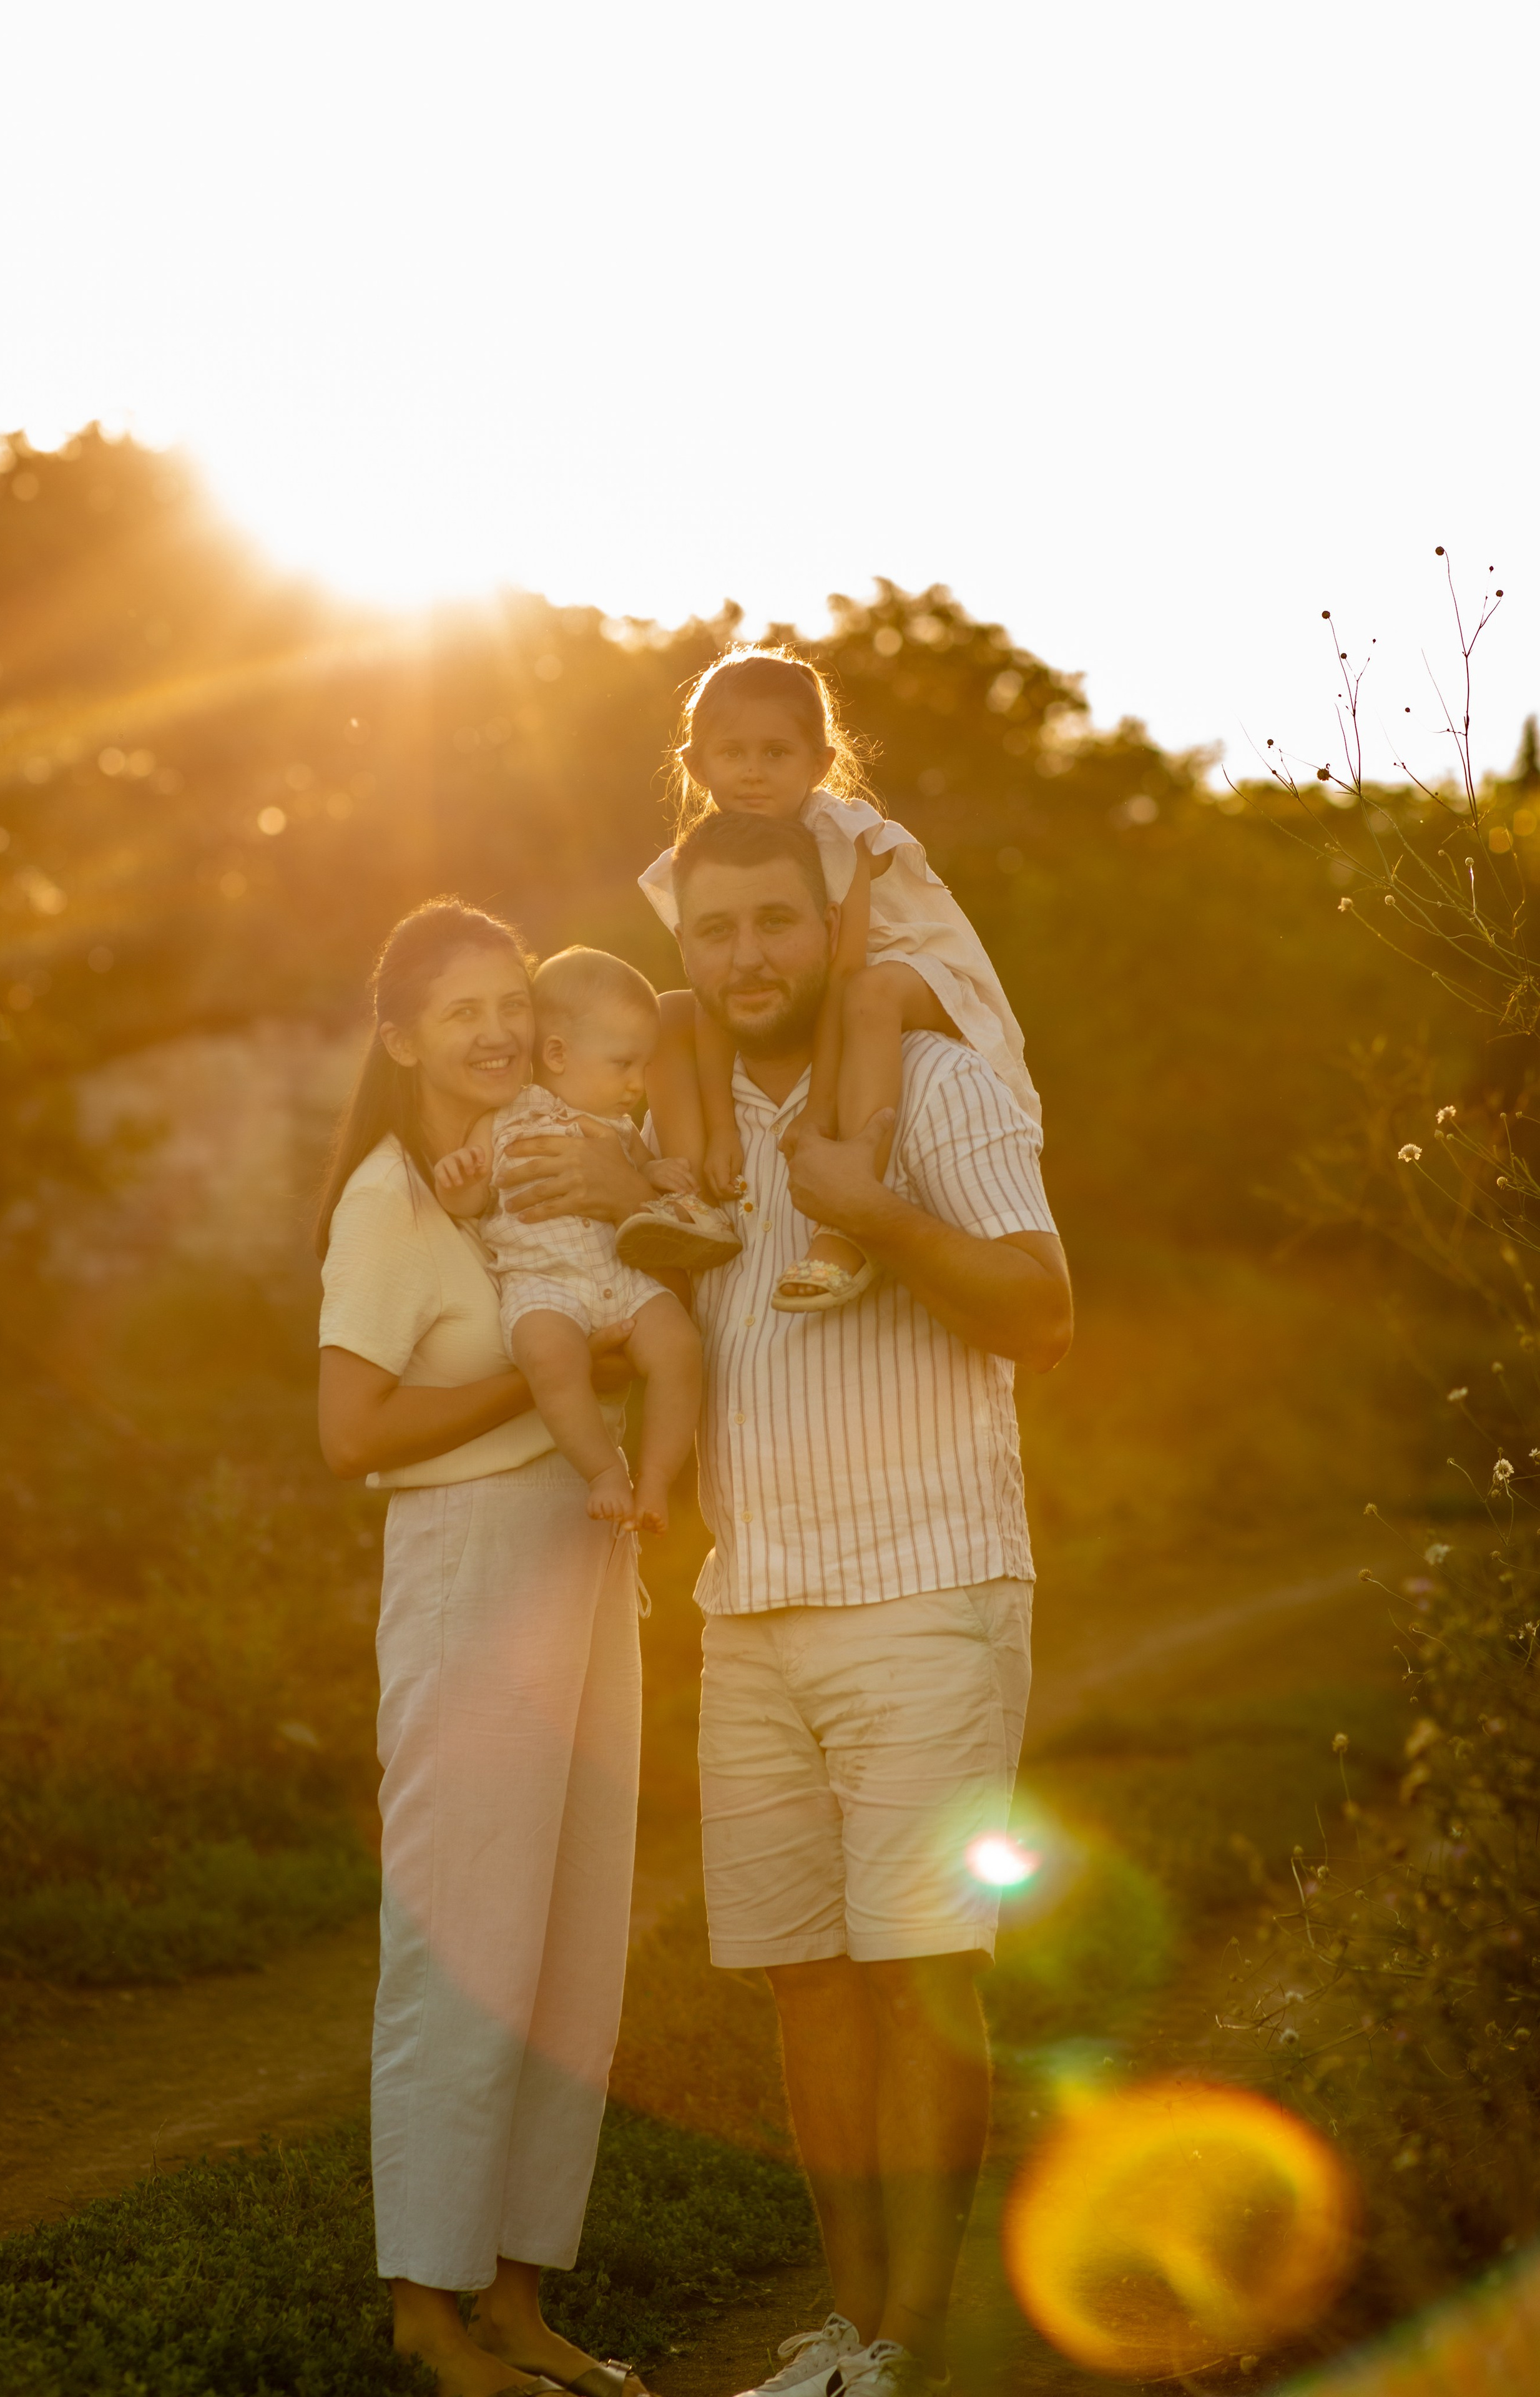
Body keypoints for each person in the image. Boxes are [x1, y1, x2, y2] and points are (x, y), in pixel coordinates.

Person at [662, 811, 1073, 2397]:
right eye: (715, 930)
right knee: (804, 1983)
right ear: (683, 947)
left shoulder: (940, 1081)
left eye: (776, 919)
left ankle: (912, 2339)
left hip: (925, 1583)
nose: (746, 954)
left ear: (833, 924)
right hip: (747, 1599)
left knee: (919, 1969)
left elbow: (1040, 1313)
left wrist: (877, 1209)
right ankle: (845, 2335)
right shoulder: (681, 1115)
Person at [314, 898, 660, 2397]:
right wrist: (542, 1386)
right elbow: (351, 1431)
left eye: (511, 998)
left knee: (568, 1951)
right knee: (459, 1943)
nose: (499, 1026)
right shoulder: (389, 1197)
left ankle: (517, 2302)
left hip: (582, 1573)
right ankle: (424, 2317)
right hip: (467, 1574)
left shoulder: (532, 1168)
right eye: (460, 1008)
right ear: (400, 1036)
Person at [632, 647, 1038, 1313]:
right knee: (668, 1011)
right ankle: (689, 1201)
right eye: (732, 754)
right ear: (697, 766)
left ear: (819, 763)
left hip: (914, 970)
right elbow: (711, 992)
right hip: (837, 986)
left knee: (872, 996)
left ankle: (846, 1221)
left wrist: (819, 1111)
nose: (753, 774)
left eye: (775, 753)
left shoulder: (840, 836)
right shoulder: (706, 858)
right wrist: (722, 1128)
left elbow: (847, 973)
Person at [432, 944, 703, 1534]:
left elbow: (643, 1175)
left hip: (622, 1276)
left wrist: (654, 1174)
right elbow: (474, 1203)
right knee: (550, 1358)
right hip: (543, 1285)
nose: (637, 1083)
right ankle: (605, 1471)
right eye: (623, 1064)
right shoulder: (500, 1117)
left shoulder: (619, 1126)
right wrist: (459, 1182)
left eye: (644, 1066)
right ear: (557, 1053)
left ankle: (656, 1479)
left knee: (680, 1347)